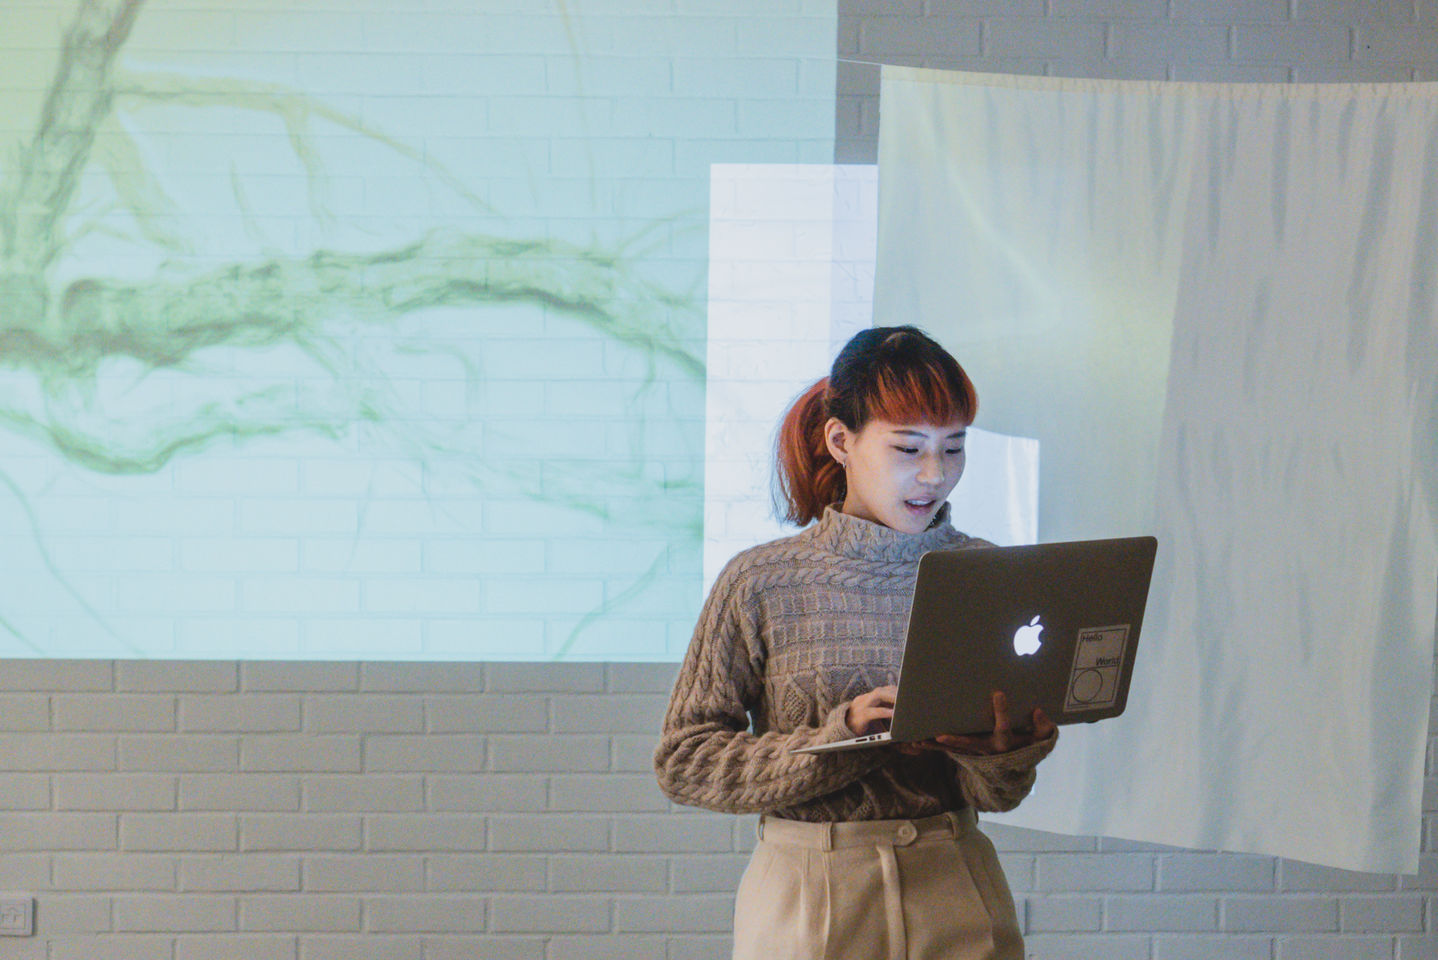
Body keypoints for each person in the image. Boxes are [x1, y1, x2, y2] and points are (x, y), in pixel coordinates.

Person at [654, 325, 1057, 960]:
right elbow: (684, 761)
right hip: (806, 895)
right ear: (841, 440)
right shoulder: (761, 580)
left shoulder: (988, 575)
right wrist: (837, 741)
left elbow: (996, 796)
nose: (935, 475)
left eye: (954, 449)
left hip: (954, 883)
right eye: (909, 448)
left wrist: (1003, 754)